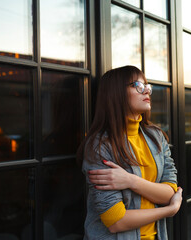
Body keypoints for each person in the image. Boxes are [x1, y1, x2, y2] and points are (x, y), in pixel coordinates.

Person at [78, 65, 183, 239]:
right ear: (116, 93)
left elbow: (170, 192)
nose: (147, 92)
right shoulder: (100, 146)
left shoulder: (156, 137)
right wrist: (169, 210)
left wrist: (131, 181)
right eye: (138, 86)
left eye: (147, 87)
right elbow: (115, 220)